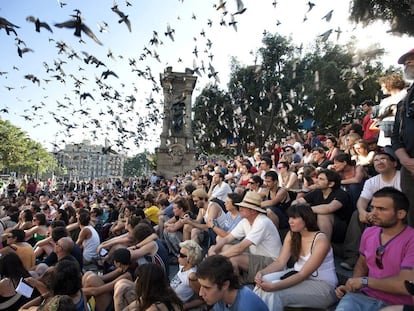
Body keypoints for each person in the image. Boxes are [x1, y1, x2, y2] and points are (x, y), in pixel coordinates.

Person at [335, 187, 414, 310]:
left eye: (381, 209)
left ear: (401, 214)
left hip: (397, 305)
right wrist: (352, 286)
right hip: (364, 296)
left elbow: (405, 285)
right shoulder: (369, 232)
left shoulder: (411, 239)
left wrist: (365, 281)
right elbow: (362, 264)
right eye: (372, 208)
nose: (373, 213)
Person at [254, 204, 338, 310]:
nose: (290, 221)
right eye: (289, 217)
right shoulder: (292, 234)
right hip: (298, 275)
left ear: (306, 219)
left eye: (294, 218)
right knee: (262, 282)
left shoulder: (321, 241)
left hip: (323, 286)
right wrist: (262, 273)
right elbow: (280, 262)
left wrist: (274, 286)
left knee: (274, 292)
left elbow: (303, 274)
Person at [340, 151, 401, 271]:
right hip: (377, 212)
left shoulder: (403, 178)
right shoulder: (371, 181)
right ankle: (352, 257)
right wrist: (363, 212)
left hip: (398, 214)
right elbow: (362, 200)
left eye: (383, 159)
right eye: (376, 160)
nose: (379, 162)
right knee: (357, 214)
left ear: (394, 163)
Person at [208, 191, 282, 284]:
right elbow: (227, 238)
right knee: (225, 247)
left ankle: (238, 286)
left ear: (253, 211)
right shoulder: (245, 221)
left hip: (271, 261)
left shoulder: (262, 222)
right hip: (256, 254)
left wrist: (217, 257)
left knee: (233, 259)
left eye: (243, 207)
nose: (240, 208)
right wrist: (214, 249)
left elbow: (240, 247)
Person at [293, 169, 351, 242]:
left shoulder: (341, 194)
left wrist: (305, 209)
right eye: (318, 178)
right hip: (318, 225)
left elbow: (329, 208)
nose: (317, 181)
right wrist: (295, 206)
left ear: (331, 184)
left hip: (339, 230)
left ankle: (324, 247)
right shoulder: (317, 192)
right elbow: (299, 201)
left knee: (323, 215)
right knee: (298, 212)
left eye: (321, 179)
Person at [196, 254, 269, 311]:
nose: (201, 293)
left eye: (206, 288)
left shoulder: (247, 306)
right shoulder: (220, 298)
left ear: (225, 285)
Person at [392, 48, 414, 227]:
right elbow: (395, 135)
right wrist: (405, 160)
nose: (408, 63)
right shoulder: (404, 101)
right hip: (409, 165)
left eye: (412, 59)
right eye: (406, 61)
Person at [113, 263, 183, 311]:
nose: (135, 282)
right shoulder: (167, 293)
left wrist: (117, 297)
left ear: (146, 283)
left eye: (138, 279)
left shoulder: (154, 308)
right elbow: (128, 309)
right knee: (128, 293)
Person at [170, 240, 204, 310]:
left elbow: (202, 298)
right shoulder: (182, 266)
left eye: (181, 255)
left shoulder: (191, 276)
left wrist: (184, 307)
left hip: (175, 305)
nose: (178, 256)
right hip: (168, 298)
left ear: (190, 259)